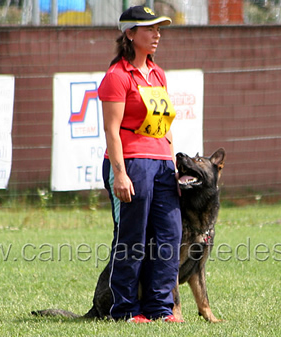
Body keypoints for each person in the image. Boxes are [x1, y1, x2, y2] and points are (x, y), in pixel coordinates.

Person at [97, 6, 183, 323]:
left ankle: (161, 309)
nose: (157, 34)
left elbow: (165, 123)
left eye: (159, 29)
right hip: (132, 163)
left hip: (161, 163)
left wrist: (173, 165)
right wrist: (120, 174)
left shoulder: (157, 73)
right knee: (132, 237)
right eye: (150, 29)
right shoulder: (116, 77)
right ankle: (126, 309)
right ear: (130, 34)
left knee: (168, 236)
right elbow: (111, 130)